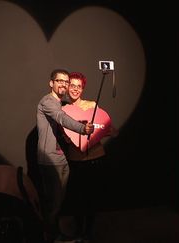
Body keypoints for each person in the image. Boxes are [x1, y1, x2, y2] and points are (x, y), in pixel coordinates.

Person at [36, 69, 94, 243]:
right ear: (51, 83)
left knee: (58, 202)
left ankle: (54, 234)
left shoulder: (61, 103)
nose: (64, 84)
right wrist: (82, 128)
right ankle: (51, 237)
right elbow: (61, 118)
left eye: (66, 82)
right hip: (50, 159)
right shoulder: (48, 101)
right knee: (53, 203)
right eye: (59, 81)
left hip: (61, 158)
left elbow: (64, 121)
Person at [63, 72, 117, 243]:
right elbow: (65, 136)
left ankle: (89, 232)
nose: (75, 89)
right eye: (72, 85)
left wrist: (104, 131)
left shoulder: (92, 106)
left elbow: (110, 130)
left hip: (95, 159)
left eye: (79, 86)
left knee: (92, 198)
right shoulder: (63, 110)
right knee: (77, 198)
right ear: (67, 87)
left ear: (83, 88)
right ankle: (79, 231)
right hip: (75, 160)